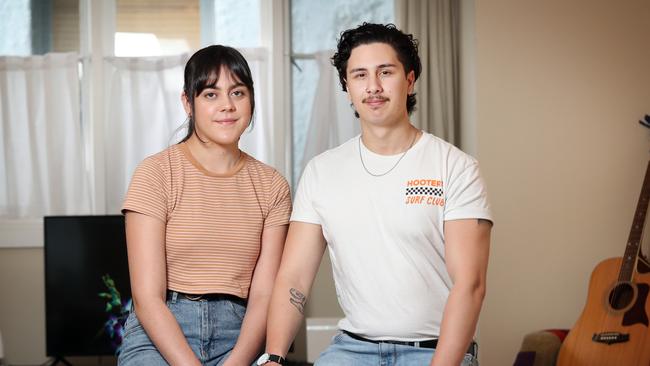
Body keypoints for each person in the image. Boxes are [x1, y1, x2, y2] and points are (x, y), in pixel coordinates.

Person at [258, 23, 492, 366]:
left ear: (410, 80)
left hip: (433, 350)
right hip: (351, 350)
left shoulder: (455, 167)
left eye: (386, 72)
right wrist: (275, 357)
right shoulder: (322, 172)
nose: (374, 87)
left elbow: (470, 285)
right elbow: (294, 278)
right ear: (347, 87)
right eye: (360, 75)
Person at [118, 45, 292, 366]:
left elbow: (264, 296)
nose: (227, 105)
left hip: (239, 336)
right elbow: (146, 298)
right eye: (211, 95)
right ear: (188, 103)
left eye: (238, 92)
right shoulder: (156, 172)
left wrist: (237, 362)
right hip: (160, 333)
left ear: (251, 99)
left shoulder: (272, 186)